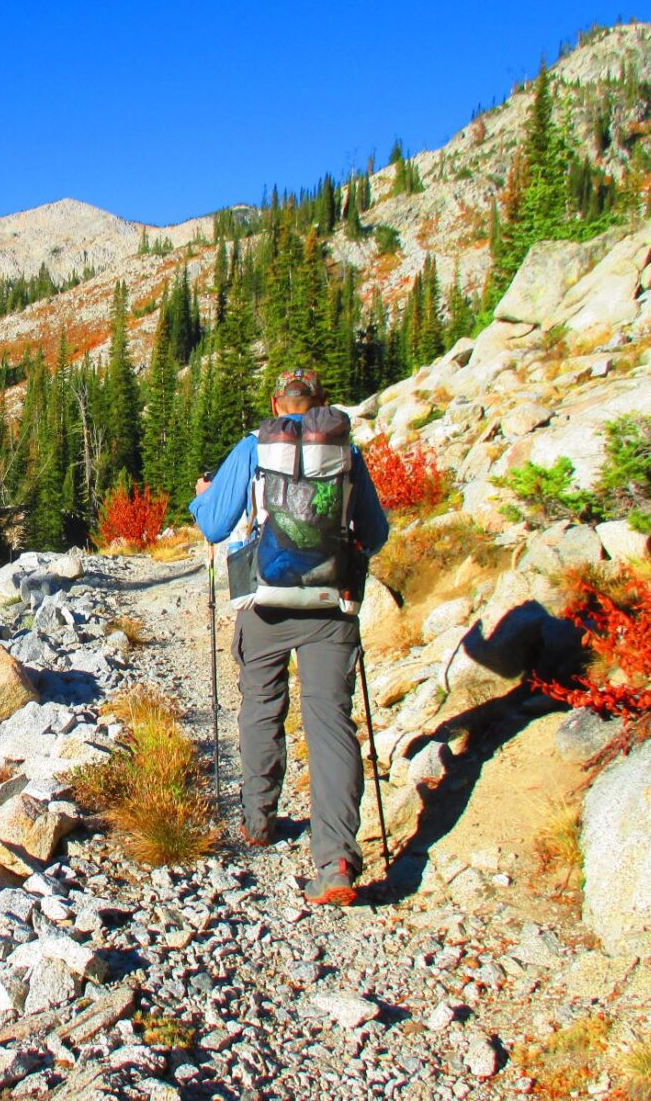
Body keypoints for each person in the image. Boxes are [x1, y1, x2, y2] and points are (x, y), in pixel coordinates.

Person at [190, 367, 390, 905]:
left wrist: (203, 496)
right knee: (329, 723)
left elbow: (213, 526)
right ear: (321, 403)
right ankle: (336, 862)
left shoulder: (254, 448)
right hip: (330, 607)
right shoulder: (346, 451)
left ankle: (258, 820)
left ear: (278, 403)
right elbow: (375, 535)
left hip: (265, 602)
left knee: (260, 705)